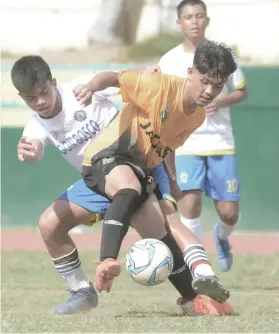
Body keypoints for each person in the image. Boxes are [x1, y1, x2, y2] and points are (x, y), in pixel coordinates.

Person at [12, 55, 231, 316]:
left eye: (43, 93)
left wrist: (145, 71)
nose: (40, 102)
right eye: (30, 99)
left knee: (163, 232)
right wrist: (31, 152)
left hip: (133, 165)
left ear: (53, 83)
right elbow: (32, 145)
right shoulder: (36, 124)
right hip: (98, 179)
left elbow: (121, 78)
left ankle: (194, 297)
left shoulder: (79, 88)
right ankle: (81, 289)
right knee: (49, 224)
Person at [75, 41, 237, 300]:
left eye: (217, 86)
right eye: (204, 81)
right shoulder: (157, 85)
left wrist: (172, 180)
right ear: (190, 72)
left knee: (162, 235)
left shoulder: (197, 116)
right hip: (107, 156)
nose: (209, 91)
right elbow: (114, 78)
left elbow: (166, 145)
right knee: (129, 189)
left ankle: (194, 300)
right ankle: (106, 261)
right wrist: (90, 87)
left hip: (141, 170)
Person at [159, 0, 248, 272]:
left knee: (229, 213)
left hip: (220, 143)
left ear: (207, 20)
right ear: (179, 23)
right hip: (187, 143)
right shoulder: (170, 60)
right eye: (188, 17)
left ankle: (221, 237)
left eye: (199, 15)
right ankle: (198, 267)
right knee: (190, 201)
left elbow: (242, 91)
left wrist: (219, 102)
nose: (195, 21)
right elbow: (162, 95)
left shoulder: (224, 54)